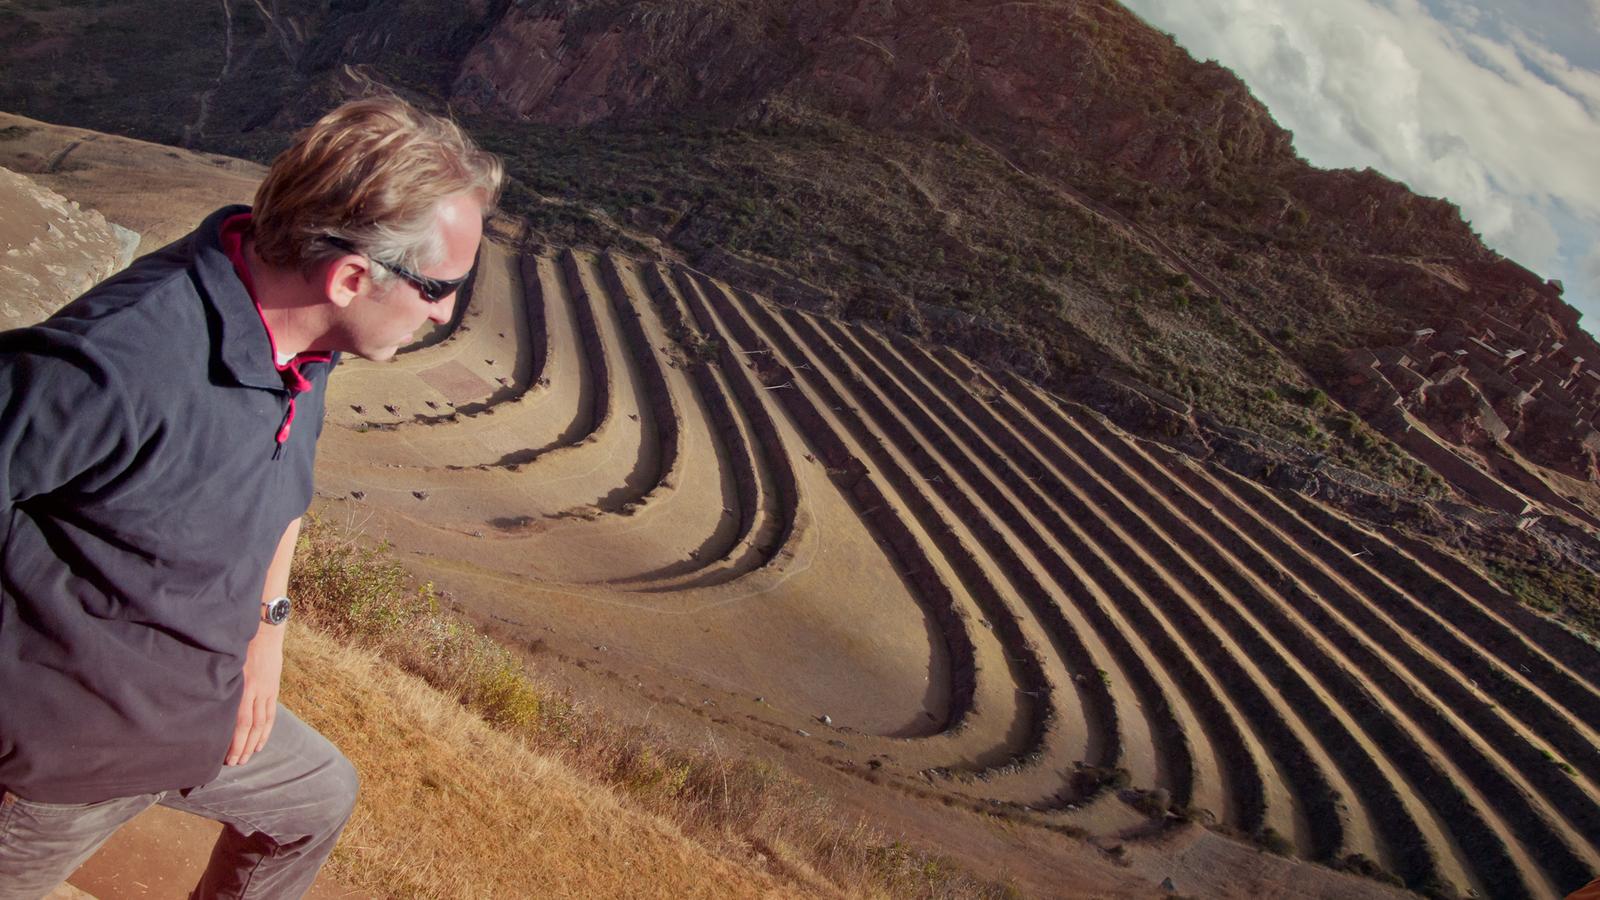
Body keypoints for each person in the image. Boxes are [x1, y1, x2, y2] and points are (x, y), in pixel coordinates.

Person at [0, 95, 502, 898]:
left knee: (319, 797)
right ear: (350, 276)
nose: (445, 313)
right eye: (441, 288)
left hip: (205, 718)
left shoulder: (306, 343)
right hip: (71, 765)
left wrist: (266, 633)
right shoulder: (120, 362)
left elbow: (282, 491)